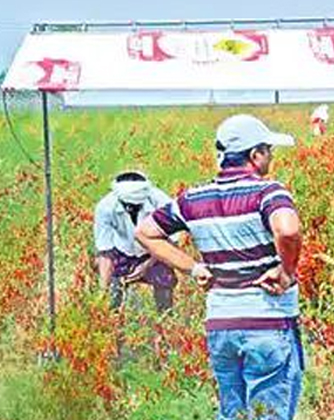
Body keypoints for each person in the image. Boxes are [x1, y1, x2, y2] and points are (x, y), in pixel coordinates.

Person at [135, 114, 303, 420]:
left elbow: (145, 232)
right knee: (269, 413)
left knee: (232, 412)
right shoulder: (268, 192)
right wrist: (287, 271)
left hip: (221, 322)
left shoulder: (192, 199)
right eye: (268, 150)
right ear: (255, 156)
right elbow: (288, 230)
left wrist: (193, 268)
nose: (271, 157)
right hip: (267, 320)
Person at [94, 171, 177, 313]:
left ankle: (165, 319)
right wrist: (102, 292)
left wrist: (146, 266)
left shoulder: (162, 203)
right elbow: (105, 252)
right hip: (123, 250)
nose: (131, 210)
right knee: (114, 292)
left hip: (155, 250)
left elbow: (172, 242)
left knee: (164, 283)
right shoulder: (105, 207)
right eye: (128, 206)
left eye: (136, 206)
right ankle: (113, 320)